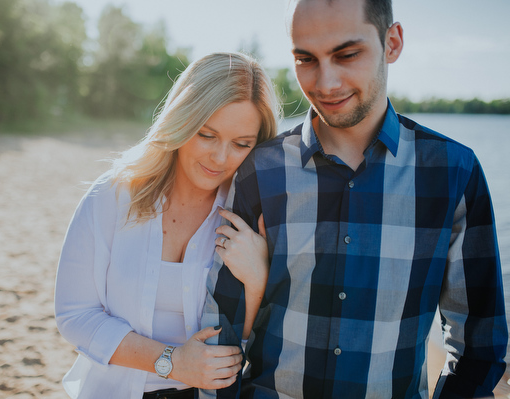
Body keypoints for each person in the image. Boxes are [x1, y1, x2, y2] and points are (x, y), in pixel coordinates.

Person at [201, 1, 508, 398]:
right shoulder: (262, 170)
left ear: (392, 43)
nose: (326, 83)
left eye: (347, 55)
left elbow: (479, 343)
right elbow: (219, 330)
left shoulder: (453, 171)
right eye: (305, 58)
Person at [55, 52, 279, 399]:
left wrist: (258, 279)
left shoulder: (250, 219)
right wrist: (173, 362)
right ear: (182, 120)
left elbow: (245, 342)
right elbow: (75, 315)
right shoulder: (112, 195)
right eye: (207, 134)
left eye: (241, 144)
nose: (220, 158)